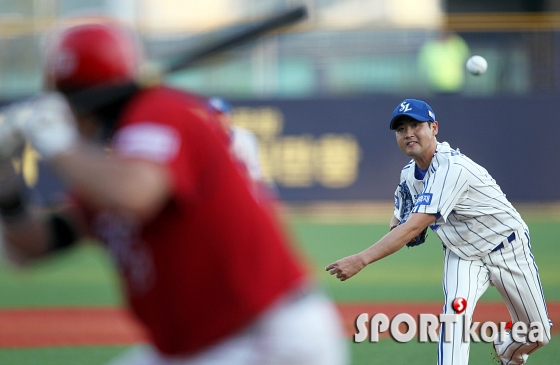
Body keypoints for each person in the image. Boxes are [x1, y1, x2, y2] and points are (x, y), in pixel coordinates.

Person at [0, 21, 348, 365]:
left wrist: (59, 144)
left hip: (267, 337)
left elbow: (135, 193)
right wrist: (4, 182)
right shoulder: (111, 171)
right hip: (203, 346)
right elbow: (30, 247)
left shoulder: (161, 112)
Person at [325, 99, 551, 365]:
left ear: (434, 128)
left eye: (415, 125)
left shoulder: (452, 168)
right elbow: (401, 219)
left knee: (538, 334)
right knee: (455, 318)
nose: (408, 133)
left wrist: (361, 259)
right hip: (463, 254)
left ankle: (507, 352)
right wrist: (400, 225)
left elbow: (415, 225)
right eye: (400, 129)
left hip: (508, 246)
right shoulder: (408, 174)